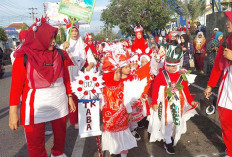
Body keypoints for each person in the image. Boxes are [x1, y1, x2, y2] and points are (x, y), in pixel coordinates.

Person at [9, 17, 76, 157]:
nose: (53, 41)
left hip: (59, 101)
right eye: (49, 38)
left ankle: (57, 153)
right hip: (35, 106)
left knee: (60, 134)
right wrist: (13, 112)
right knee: (35, 142)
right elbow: (15, 87)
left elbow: (66, 78)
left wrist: (69, 96)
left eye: (54, 37)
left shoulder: (60, 54)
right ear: (38, 37)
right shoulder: (23, 57)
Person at [148, 45, 198, 155]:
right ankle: (168, 141)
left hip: (177, 103)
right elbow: (155, 89)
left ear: (178, 65)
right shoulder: (161, 75)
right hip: (164, 102)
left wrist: (190, 101)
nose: (170, 68)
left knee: (175, 120)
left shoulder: (181, 75)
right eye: (168, 65)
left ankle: (169, 136)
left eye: (173, 66)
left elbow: (185, 90)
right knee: (167, 120)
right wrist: (155, 102)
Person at [204, 11, 232, 157]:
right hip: (228, 84)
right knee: (226, 117)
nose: (227, 23)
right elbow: (217, 65)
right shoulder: (226, 40)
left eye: (230, 20)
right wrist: (210, 85)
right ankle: (230, 151)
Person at [101, 55, 137, 157]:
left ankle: (123, 155)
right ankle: (115, 151)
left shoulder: (122, 85)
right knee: (113, 139)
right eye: (116, 73)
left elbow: (126, 99)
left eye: (118, 72)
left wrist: (129, 112)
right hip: (109, 119)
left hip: (122, 117)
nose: (119, 74)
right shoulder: (103, 88)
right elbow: (101, 103)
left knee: (123, 137)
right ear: (109, 74)